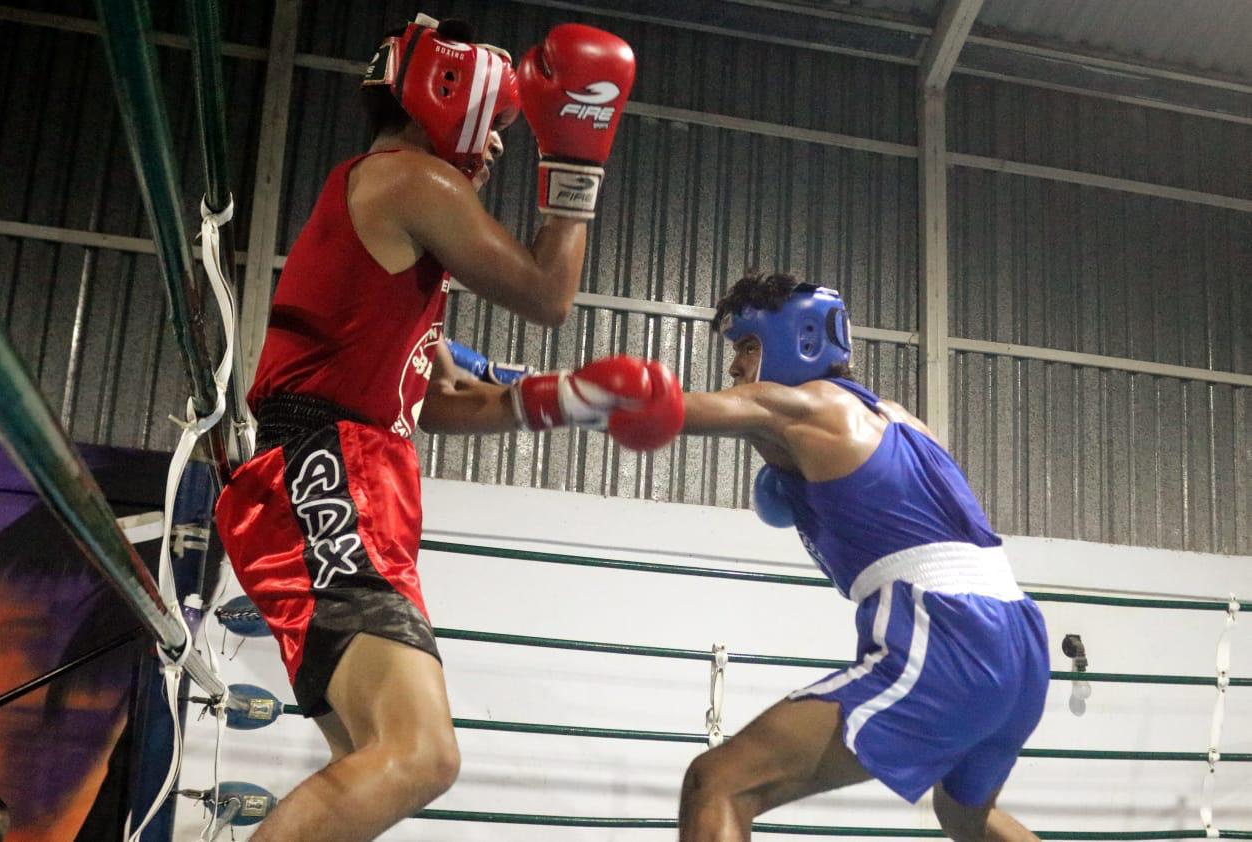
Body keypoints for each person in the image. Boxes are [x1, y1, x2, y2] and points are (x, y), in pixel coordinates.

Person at [212, 13, 658, 842]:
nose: (493, 149)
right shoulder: (411, 179)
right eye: (494, 127)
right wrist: (575, 159)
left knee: (378, 759)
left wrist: (568, 401)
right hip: (326, 477)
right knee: (421, 756)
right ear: (448, 100)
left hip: (347, 476)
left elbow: (433, 404)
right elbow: (546, 295)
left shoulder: (398, 215)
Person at [672, 272, 1050, 841]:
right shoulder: (902, 420)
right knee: (966, 815)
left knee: (718, 782)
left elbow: (672, 412)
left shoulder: (804, 404)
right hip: (1021, 642)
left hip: (949, 634)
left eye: (747, 348)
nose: (735, 368)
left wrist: (525, 392)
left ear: (797, 341)